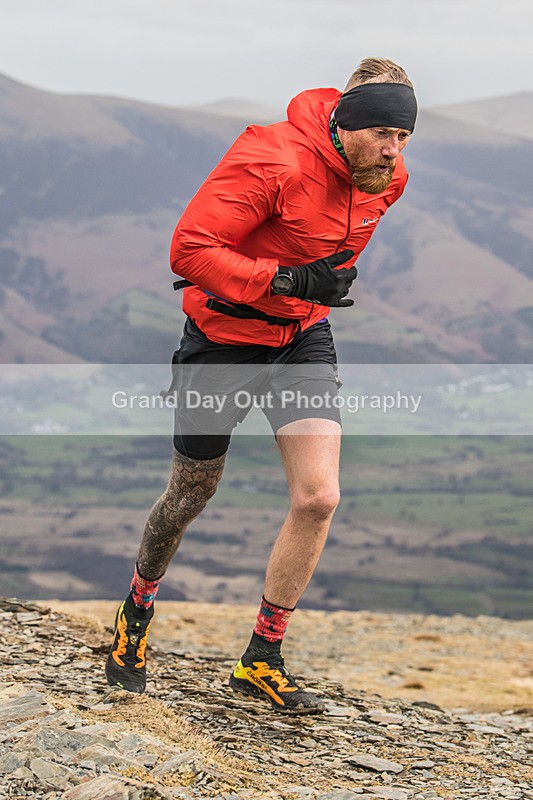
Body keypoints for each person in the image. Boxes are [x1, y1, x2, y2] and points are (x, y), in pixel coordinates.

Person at [105, 57, 417, 714]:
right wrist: (287, 280)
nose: (393, 152)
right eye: (383, 134)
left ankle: (260, 659)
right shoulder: (270, 157)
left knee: (318, 498)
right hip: (221, 341)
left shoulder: (385, 180)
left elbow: (333, 247)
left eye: (404, 138)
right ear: (344, 124)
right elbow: (189, 250)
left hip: (301, 341)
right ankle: (135, 615)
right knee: (190, 495)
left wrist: (317, 292)